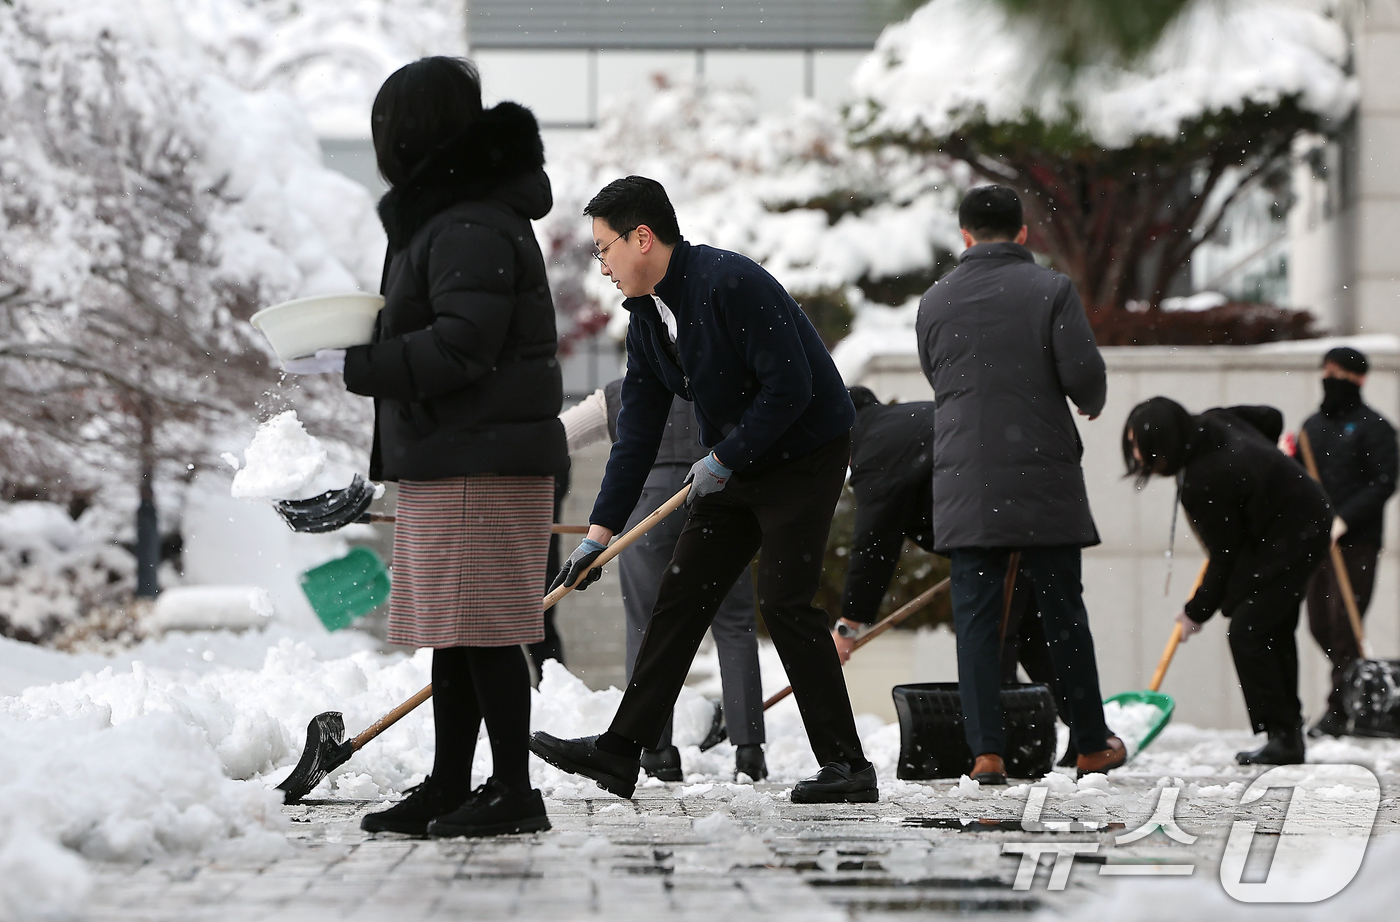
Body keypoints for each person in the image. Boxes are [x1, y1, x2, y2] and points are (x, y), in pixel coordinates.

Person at [285, 58, 567, 837]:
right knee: (455, 628)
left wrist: (355, 364)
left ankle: (513, 790)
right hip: (453, 453)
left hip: (481, 455)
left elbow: (462, 348)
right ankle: (450, 785)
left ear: (411, 132)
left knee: (485, 627)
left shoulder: (469, 221)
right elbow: (441, 333)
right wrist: (357, 345)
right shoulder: (451, 217)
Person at [530, 175, 874, 804]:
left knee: (785, 600)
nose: (601, 265)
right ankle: (619, 752)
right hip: (738, 463)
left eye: (604, 249)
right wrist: (599, 535)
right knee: (682, 594)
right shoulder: (646, 319)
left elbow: (791, 389)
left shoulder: (730, 284)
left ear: (642, 238)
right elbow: (634, 435)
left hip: (805, 454)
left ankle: (849, 766)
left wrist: (724, 456)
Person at [915, 184, 1122, 784]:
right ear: (1023, 233)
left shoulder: (935, 300)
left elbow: (939, 375)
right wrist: (1089, 399)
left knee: (977, 622)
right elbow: (1084, 376)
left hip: (966, 477)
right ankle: (1089, 741)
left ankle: (986, 750)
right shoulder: (1050, 289)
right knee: (1062, 614)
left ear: (965, 235)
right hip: (1040, 475)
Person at [558, 380, 768, 781]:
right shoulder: (723, 378)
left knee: (646, 624)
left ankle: (656, 750)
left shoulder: (624, 391)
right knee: (734, 625)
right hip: (718, 494)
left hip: (647, 507)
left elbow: (562, 436)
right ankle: (749, 750)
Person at [1124, 399, 1331, 765]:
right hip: (1303, 515)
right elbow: (1272, 416)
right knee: (1271, 626)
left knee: (1250, 631)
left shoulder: (1206, 479)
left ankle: (1283, 735)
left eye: (1140, 444)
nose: (1137, 454)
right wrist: (1263, 467)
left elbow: (1225, 557)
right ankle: (1287, 734)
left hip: (1293, 534)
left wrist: (1195, 612)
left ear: (1164, 443)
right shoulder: (1213, 421)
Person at [1296, 346, 1398, 737]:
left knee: (1345, 625)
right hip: (1318, 542)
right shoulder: (1311, 427)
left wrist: (1346, 518)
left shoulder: (1376, 427)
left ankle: (1339, 709)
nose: (1329, 378)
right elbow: (1301, 478)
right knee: (1320, 625)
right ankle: (1364, 692)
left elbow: (1384, 482)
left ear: (1359, 379)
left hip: (1357, 542)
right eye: (1325, 371)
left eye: (1337, 372)